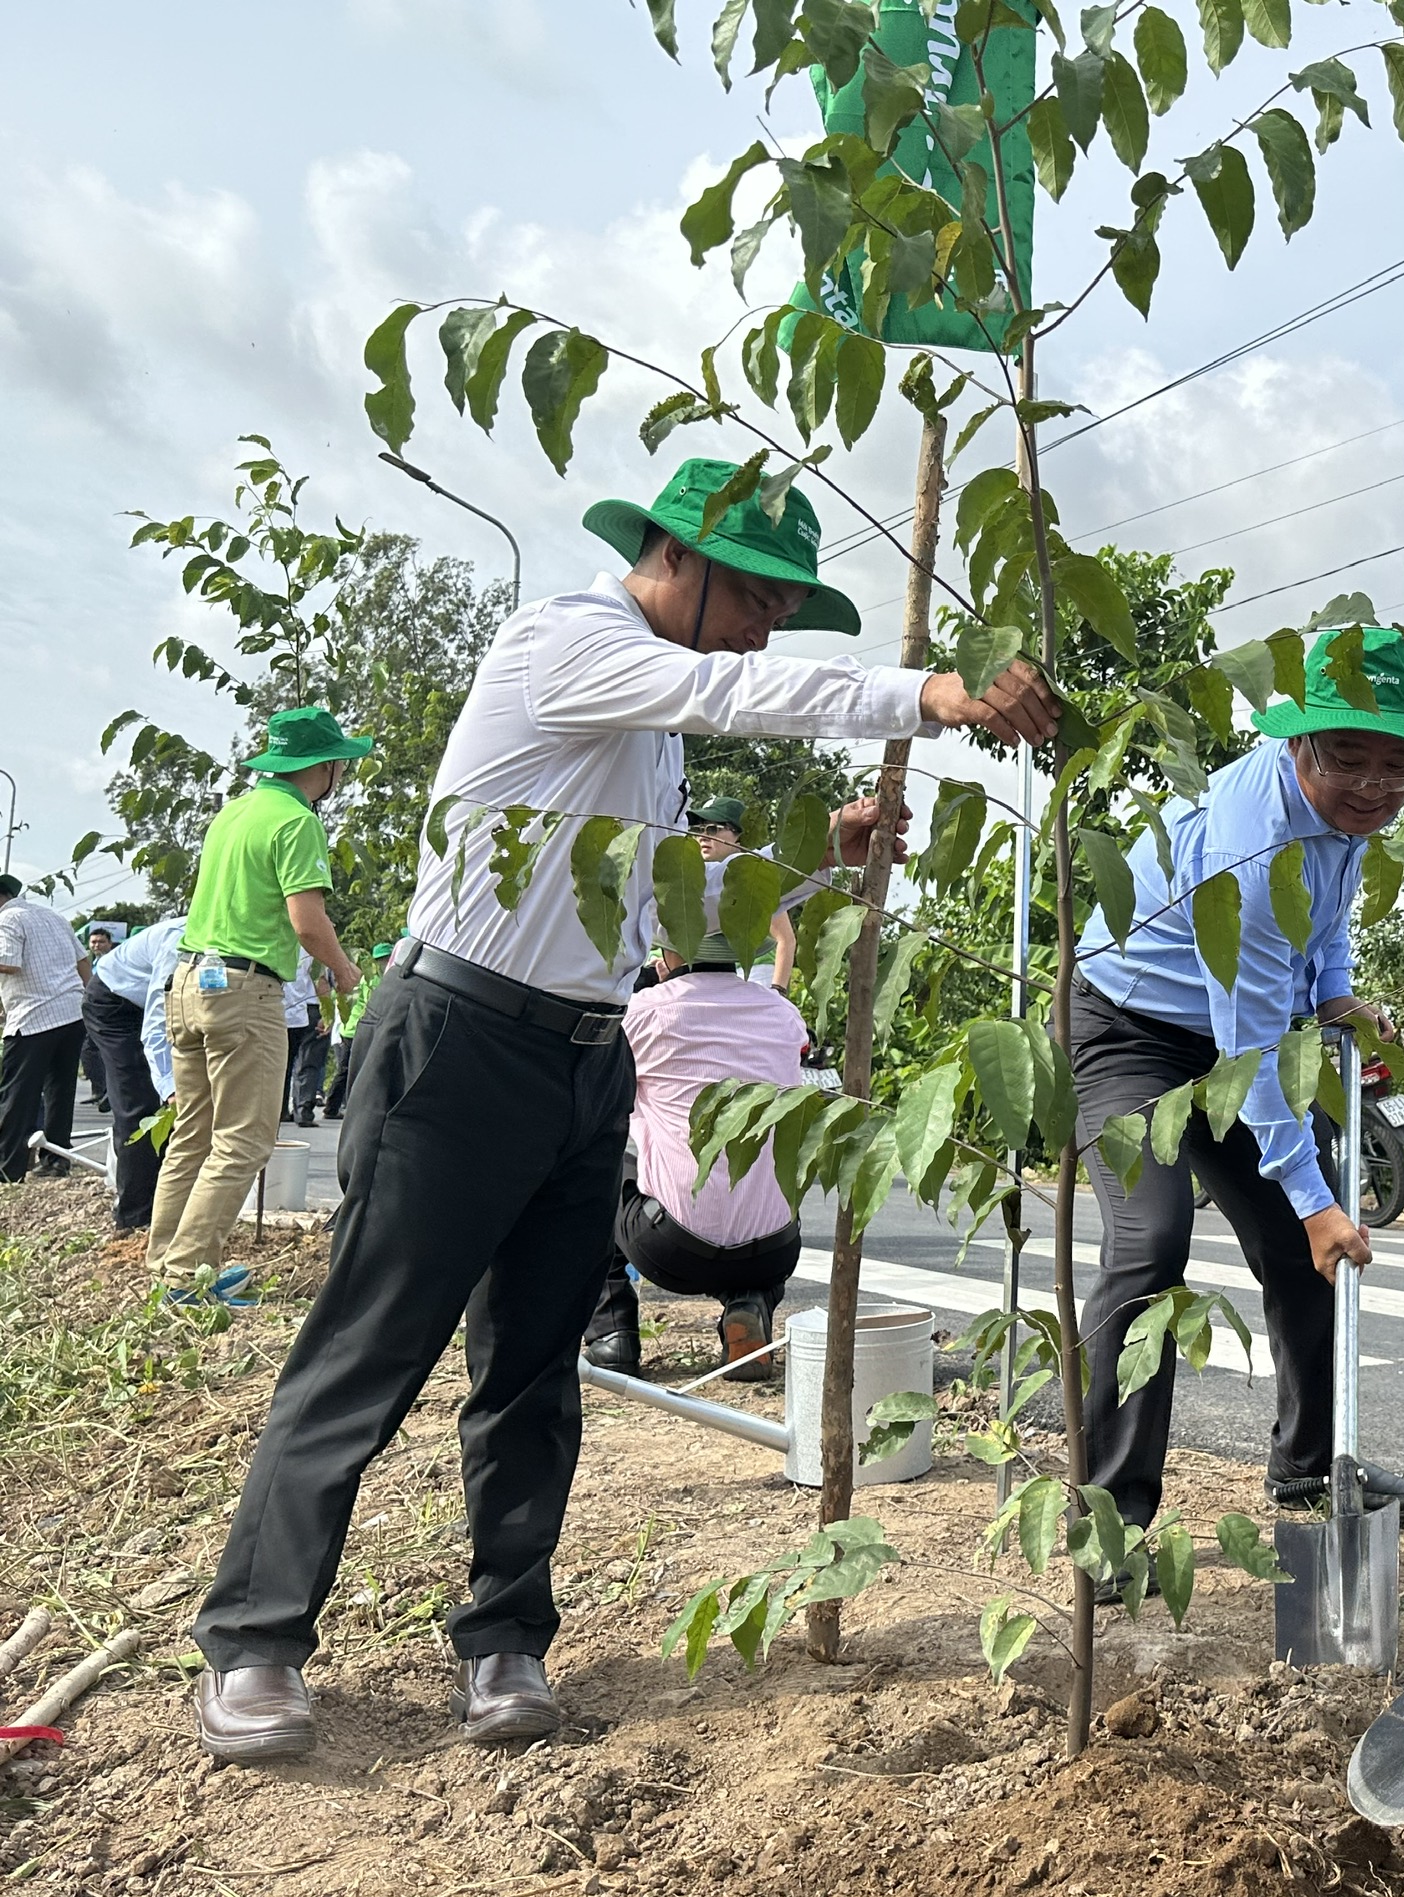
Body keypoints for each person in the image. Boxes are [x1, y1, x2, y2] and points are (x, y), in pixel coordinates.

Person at [188, 457, 1057, 1763]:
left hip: (589, 1059)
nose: (767, 627)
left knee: (538, 1367)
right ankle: (256, 1642)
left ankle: (505, 1643)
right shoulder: (566, 645)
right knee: (372, 1349)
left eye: (782, 610)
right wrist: (929, 694)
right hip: (460, 1044)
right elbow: (727, 688)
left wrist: (821, 848)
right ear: (673, 556)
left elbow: (668, 918)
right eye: (759, 596)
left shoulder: (646, 739)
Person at [1073, 626, 1404, 1587]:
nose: (1375, 786)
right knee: (1151, 1244)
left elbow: (1321, 926)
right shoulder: (1255, 843)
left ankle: (1308, 1465)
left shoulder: (1340, 824)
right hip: (1129, 1032)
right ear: (1299, 745)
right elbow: (1252, 1040)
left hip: (1229, 1036)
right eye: (1350, 760)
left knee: (1309, 1248)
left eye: (1398, 765)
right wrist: (1314, 1197)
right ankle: (1112, 1520)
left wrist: (1336, 992)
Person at [581, 857, 879, 1381]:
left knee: (592, 1170)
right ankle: (750, 1303)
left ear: (668, 953)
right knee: (758, 1174)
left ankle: (612, 1336)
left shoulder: (646, 1015)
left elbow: (608, 1102)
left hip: (670, 1247)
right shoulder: (782, 1015)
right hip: (773, 1248)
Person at [149, 709, 369, 1285]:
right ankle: (186, 1277)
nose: (342, 770)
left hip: (189, 982)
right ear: (324, 766)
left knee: (193, 1133)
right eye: (340, 760)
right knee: (245, 1138)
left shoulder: (234, 812)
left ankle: (164, 1261)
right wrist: (343, 971)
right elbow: (307, 922)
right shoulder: (296, 821)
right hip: (244, 991)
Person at [84, 913, 186, 1235]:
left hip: (158, 1007)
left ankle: (170, 1205)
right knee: (141, 1105)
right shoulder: (180, 940)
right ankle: (134, 1218)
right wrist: (168, 1086)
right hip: (114, 1006)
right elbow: (156, 1025)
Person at [0, 876, 91, 1182]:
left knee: (16, 1093)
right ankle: (55, 1160)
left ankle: (7, 1168)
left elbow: (8, 962)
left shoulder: (8, 919)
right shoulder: (53, 916)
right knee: (60, 1092)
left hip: (33, 1017)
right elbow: (83, 961)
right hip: (71, 1012)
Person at [681, 796, 797, 988]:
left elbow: (786, 940)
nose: (703, 837)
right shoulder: (699, 878)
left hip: (754, 974)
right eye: (698, 830)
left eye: (713, 829)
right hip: (712, 975)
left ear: (741, 835)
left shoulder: (753, 875)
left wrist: (778, 991)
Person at [322, 942, 394, 1120]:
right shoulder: (375, 978)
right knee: (351, 1069)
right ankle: (336, 1107)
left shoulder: (368, 976)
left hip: (355, 1027)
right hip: (358, 1028)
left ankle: (337, 1106)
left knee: (348, 1069)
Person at [278, 954, 330, 1129]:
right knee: (309, 1063)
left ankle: (280, 1110)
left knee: (281, 1063)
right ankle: (303, 1111)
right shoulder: (311, 946)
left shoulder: (279, 941)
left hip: (282, 1006)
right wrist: (327, 1013)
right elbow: (320, 979)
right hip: (310, 1005)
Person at [80, 925, 119, 1111]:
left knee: (105, 1053)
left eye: (101, 941)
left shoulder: (115, 960)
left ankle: (108, 1092)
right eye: (94, 942)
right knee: (89, 1052)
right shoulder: (89, 962)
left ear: (109, 943)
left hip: (111, 1012)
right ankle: (100, 1090)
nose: (97, 945)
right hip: (93, 1012)